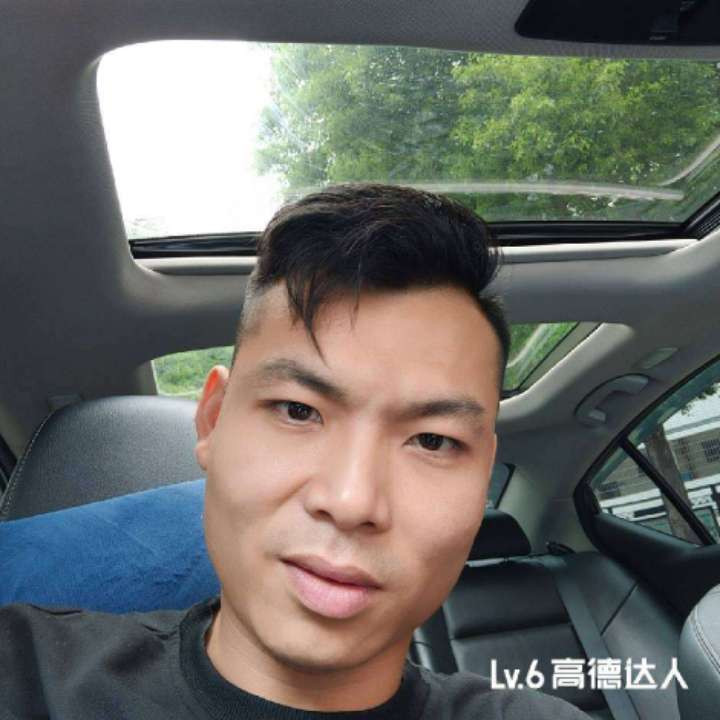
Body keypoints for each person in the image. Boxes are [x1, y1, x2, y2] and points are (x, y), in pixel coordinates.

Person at [0, 183, 591, 719]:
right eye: (298, 410)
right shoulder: (23, 671)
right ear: (213, 421)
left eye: (433, 440)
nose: (352, 501)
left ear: (483, 474)